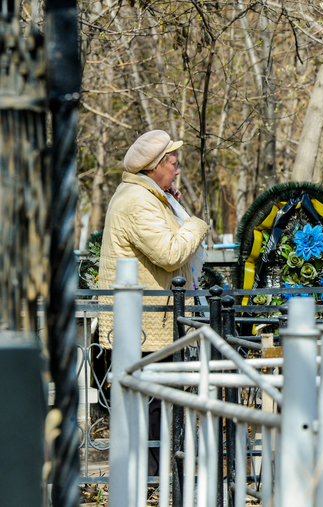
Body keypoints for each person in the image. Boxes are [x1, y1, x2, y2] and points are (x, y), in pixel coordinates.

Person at [98, 130, 208, 476]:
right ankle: (149, 484)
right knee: (151, 410)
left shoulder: (149, 196)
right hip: (144, 328)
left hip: (151, 326)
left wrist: (175, 207)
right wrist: (195, 223)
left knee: (158, 408)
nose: (177, 171)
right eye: (173, 165)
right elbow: (170, 251)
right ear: (154, 167)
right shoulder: (137, 201)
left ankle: (156, 480)